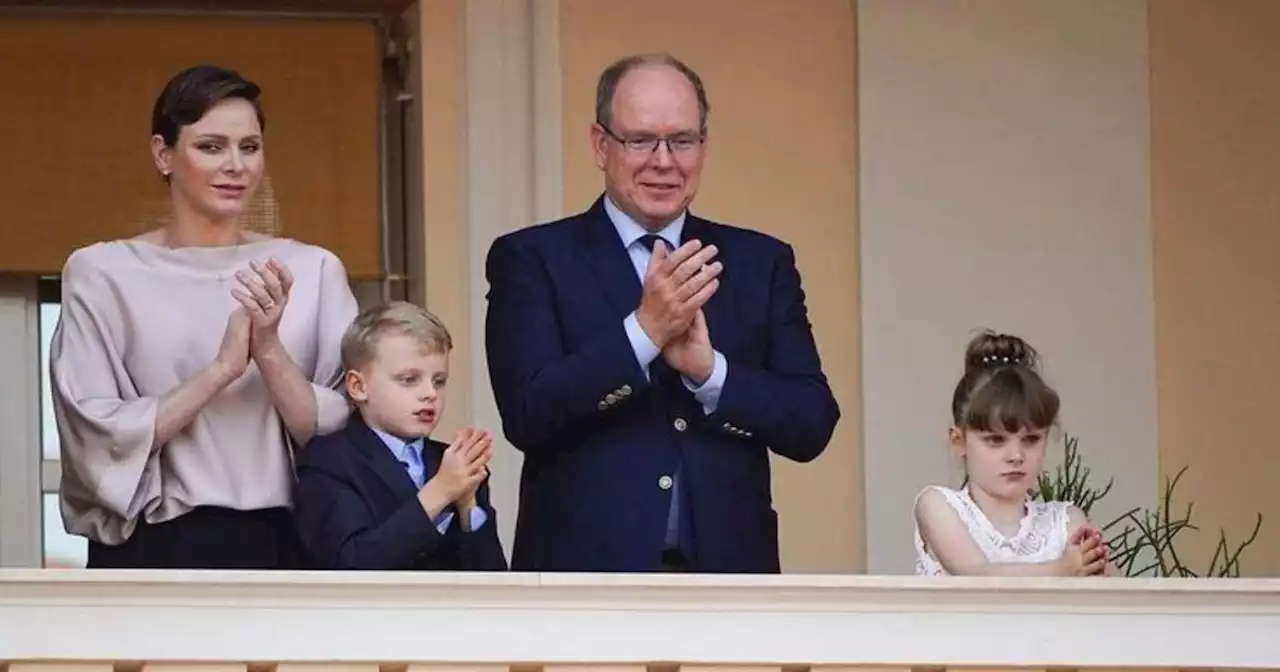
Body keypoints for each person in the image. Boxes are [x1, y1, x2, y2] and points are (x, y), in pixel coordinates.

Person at [483, 53, 840, 573]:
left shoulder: (759, 262)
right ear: (600, 145)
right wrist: (643, 335)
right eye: (641, 140)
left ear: (704, 147)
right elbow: (527, 414)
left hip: (729, 582)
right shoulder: (533, 258)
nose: (664, 161)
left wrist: (709, 371)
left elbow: (812, 423)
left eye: (682, 140)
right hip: (584, 583)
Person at [49, 64, 358, 569]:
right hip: (152, 545)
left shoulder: (314, 269)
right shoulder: (102, 273)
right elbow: (93, 432)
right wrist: (220, 371)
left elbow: (348, 434)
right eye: (211, 146)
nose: (235, 165)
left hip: (292, 543)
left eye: (250, 147)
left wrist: (269, 350)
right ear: (163, 154)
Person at [292, 301, 506, 571]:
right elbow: (352, 563)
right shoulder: (328, 460)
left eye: (439, 381)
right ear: (358, 386)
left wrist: (467, 505)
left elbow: (492, 577)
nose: (430, 393)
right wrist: (440, 491)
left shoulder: (452, 462)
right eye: (409, 379)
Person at [913, 330, 1115, 577]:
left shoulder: (1066, 521)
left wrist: (1096, 564)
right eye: (996, 440)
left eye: (1031, 440)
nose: (1016, 455)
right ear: (959, 441)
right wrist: (1064, 568)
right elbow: (975, 575)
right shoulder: (938, 506)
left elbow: (1124, 601)